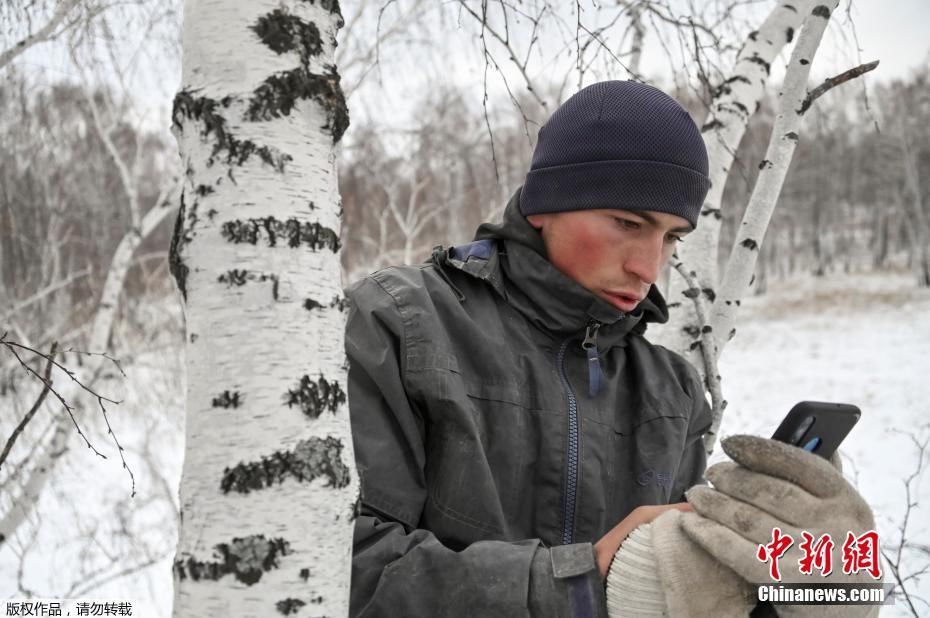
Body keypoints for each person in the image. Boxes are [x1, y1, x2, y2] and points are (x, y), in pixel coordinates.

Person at [344, 81, 879, 617]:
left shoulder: (671, 390)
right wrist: (582, 588)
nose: (648, 268)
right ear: (544, 206)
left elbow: (686, 599)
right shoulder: (398, 324)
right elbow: (344, 567)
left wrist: (809, 589)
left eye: (671, 238)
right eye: (628, 223)